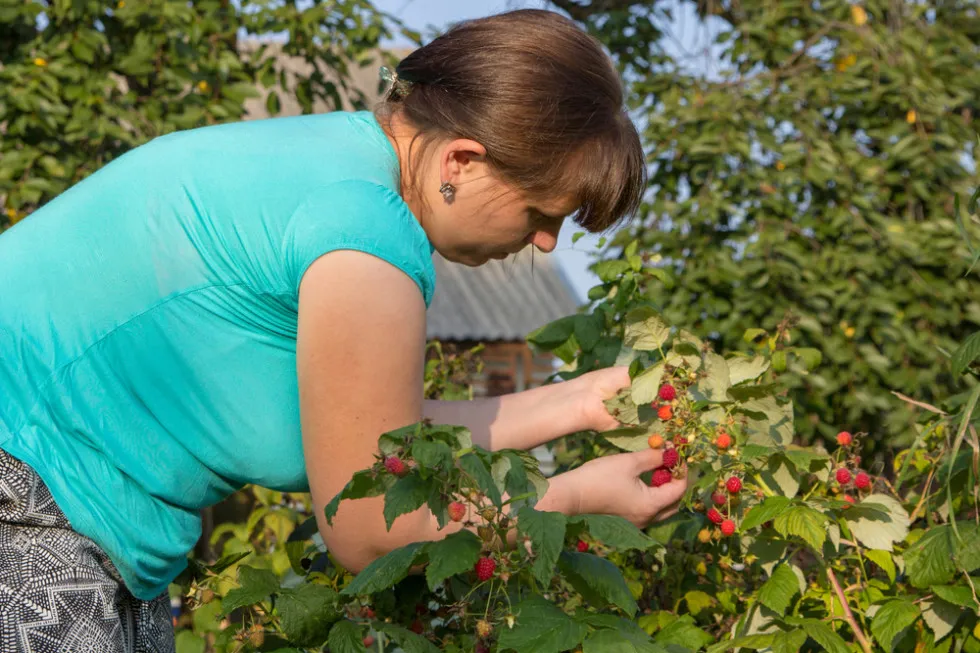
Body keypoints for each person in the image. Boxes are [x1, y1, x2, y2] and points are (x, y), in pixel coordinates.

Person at [0, 9, 687, 651]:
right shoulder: (369, 233)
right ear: (462, 162)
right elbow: (372, 529)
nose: (545, 242)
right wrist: (576, 498)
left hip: (60, 509)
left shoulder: (332, 162)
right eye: (543, 210)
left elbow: (371, 430)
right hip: (28, 517)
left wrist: (579, 401)